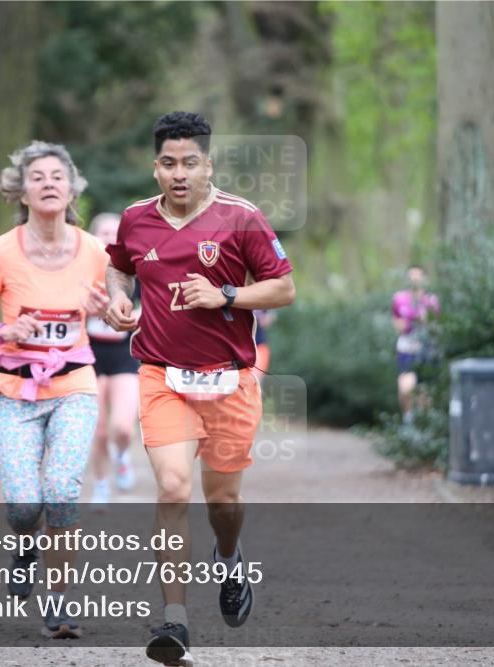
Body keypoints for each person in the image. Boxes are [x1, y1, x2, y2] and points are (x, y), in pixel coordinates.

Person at [104, 111, 296, 667]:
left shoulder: (242, 219)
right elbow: (119, 267)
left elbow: (283, 289)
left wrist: (227, 297)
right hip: (161, 374)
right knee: (170, 486)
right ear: (155, 167)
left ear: (209, 165)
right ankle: (175, 621)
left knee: (224, 502)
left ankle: (229, 557)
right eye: (168, 163)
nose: (179, 173)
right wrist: (121, 299)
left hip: (231, 380)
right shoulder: (136, 220)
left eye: (191, 163)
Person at [0, 141, 109, 639]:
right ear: (21, 191)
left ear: (71, 190)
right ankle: (25, 544)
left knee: (62, 493)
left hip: (74, 387)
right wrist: (4, 332)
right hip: (16, 394)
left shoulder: (93, 250)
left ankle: (59, 603)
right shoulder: (2, 251)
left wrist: (110, 311)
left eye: (57, 176)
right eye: (38, 176)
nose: (48, 183)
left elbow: (121, 313)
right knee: (25, 505)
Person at [86, 213, 140, 509]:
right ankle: (102, 487)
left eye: (114, 232)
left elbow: (150, 309)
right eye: (103, 231)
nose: (108, 237)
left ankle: (121, 455)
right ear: (93, 236)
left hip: (123, 355)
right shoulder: (81, 271)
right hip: (89, 354)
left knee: (122, 428)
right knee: (99, 429)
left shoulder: (132, 270)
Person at [391, 265, 440, 424]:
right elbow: (398, 324)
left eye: (418, 276)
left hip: (427, 351)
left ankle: (423, 427)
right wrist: (414, 320)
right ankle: (408, 420)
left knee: (424, 394)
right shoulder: (399, 299)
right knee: (405, 388)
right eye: (411, 276)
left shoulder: (432, 300)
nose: (415, 279)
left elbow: (434, 325)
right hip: (407, 349)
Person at [252, 309, 277, 381]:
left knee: (255, 380)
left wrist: (261, 319)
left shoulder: (259, 299)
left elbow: (272, 315)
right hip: (239, 347)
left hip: (259, 346)